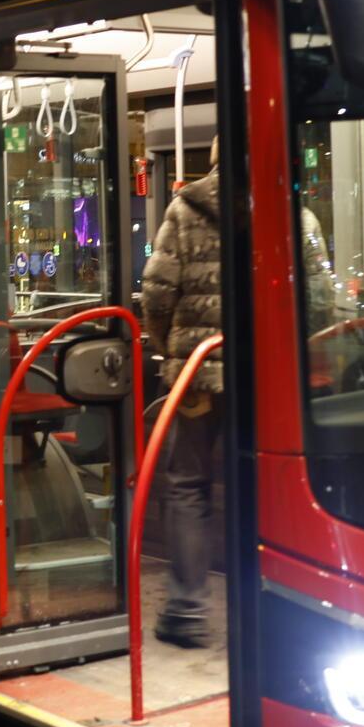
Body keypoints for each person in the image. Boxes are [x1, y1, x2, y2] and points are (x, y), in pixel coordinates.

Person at [140, 140, 224, 649]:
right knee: (262, 484)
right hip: (266, 376)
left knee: (188, 486)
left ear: (213, 162)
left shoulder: (185, 209)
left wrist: (170, 349)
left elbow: (156, 292)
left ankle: (188, 611)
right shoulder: (291, 206)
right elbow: (319, 294)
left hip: (197, 376)